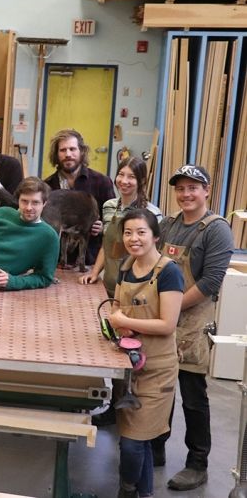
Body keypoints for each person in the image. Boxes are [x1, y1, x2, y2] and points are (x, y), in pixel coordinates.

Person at [151, 164, 234, 491]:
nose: (186, 194)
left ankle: (197, 463)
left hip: (192, 322)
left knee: (191, 394)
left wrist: (171, 308)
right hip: (162, 316)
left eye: (193, 188)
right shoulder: (168, 224)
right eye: (181, 188)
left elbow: (212, 281)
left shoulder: (216, 229)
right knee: (159, 387)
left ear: (207, 190)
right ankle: (156, 447)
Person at [109, 209, 184, 498]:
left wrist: (126, 322)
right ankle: (145, 493)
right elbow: (116, 305)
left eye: (141, 232)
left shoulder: (169, 272)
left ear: (155, 236)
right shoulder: (126, 266)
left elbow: (167, 324)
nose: (133, 238)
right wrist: (118, 323)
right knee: (137, 438)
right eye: (128, 232)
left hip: (157, 370)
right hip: (129, 367)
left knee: (132, 442)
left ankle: (126, 491)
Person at [80, 157, 163, 297]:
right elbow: (107, 245)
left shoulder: (152, 213)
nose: (124, 181)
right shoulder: (109, 206)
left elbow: (156, 254)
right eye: (121, 174)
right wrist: (94, 273)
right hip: (109, 283)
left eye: (131, 177)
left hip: (136, 288)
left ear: (142, 181)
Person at [43, 129, 115, 265]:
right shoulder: (47, 186)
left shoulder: (101, 182)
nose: (68, 154)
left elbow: (115, 222)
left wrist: (102, 228)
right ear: (56, 154)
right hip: (55, 263)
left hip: (91, 262)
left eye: (72, 149)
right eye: (63, 150)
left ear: (81, 151)